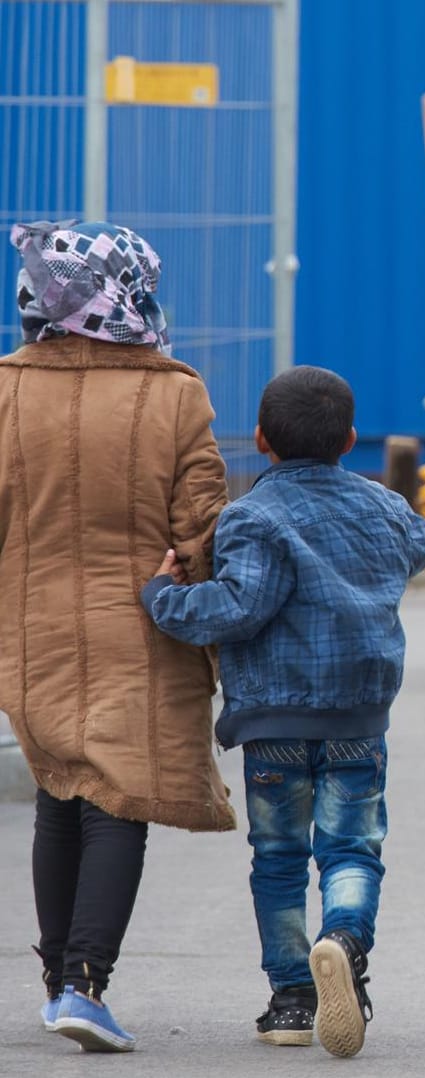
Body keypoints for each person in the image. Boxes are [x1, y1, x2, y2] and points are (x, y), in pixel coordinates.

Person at [141, 366, 425, 1057]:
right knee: (352, 848)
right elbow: (424, 544)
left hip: (274, 721)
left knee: (277, 859)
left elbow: (237, 609)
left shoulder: (250, 515)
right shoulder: (380, 506)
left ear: (264, 441)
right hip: (359, 718)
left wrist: (162, 597)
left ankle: (292, 1000)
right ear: (351, 438)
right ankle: (342, 940)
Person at [1, 220, 235, 1052]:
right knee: (119, 796)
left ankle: (58, 977)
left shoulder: (4, 388)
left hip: (27, 627)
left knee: (62, 788)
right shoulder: (175, 393)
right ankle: (84, 984)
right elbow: (202, 522)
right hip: (140, 621)